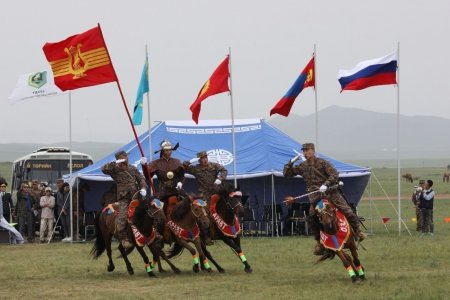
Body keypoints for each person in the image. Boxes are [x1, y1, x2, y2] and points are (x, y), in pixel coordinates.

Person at [283, 142, 366, 255]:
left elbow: (334, 174)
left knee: (348, 211)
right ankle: (320, 243)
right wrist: (291, 162)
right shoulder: (303, 167)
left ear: (313, 151)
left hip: (330, 193)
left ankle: (358, 232)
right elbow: (286, 174)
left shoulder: (323, 163)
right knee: (312, 218)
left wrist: (326, 184)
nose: (305, 153)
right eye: (304, 151)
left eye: (307, 150)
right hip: (316, 198)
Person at [102, 150, 147, 249]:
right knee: (123, 216)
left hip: (136, 195)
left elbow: (141, 178)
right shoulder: (115, 169)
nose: (126, 157)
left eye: (126, 156)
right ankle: (123, 238)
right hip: (124, 197)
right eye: (124, 156)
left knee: (149, 211)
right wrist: (116, 162)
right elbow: (104, 169)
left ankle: (151, 232)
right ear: (119, 158)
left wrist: (143, 187)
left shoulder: (132, 168)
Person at [183, 151, 228, 245]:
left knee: (223, 210)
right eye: (202, 158)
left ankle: (226, 232)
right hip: (203, 195)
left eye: (205, 157)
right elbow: (183, 168)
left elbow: (224, 170)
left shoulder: (214, 165)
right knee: (204, 215)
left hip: (215, 192)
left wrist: (219, 179)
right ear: (199, 160)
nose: (204, 159)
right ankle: (207, 237)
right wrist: (189, 162)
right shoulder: (196, 168)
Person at [0, 179, 24, 244]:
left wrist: (12, 210)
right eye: (2, 186)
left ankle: (18, 239)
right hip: (1, 215)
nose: (3, 188)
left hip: (5, 214)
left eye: (4, 186)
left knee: (9, 227)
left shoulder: (8, 195)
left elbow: (11, 203)